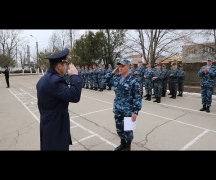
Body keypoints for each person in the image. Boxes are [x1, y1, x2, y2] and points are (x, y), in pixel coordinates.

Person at [36, 48, 83, 151]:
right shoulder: (55, 81)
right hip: (55, 126)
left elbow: (40, 104)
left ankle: (126, 143)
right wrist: (74, 76)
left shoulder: (43, 79)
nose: (66, 67)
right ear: (59, 66)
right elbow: (74, 96)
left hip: (48, 122)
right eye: (65, 64)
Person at [101, 59, 142, 151]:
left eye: (122, 66)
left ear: (129, 67)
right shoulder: (116, 79)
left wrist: (135, 112)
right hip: (118, 108)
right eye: (119, 66)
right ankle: (122, 144)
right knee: (119, 128)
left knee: (128, 130)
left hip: (128, 110)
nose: (120, 68)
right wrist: (113, 72)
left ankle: (128, 146)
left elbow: (137, 98)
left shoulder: (133, 82)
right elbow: (104, 81)